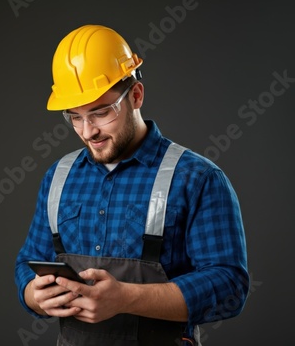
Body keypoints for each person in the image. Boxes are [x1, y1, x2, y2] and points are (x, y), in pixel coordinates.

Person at [14, 24, 249, 346]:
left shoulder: (197, 178)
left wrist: (126, 298)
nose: (88, 131)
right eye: (75, 117)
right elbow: (28, 261)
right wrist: (32, 294)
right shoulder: (59, 176)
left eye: (100, 112)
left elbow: (229, 286)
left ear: (136, 96)